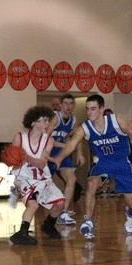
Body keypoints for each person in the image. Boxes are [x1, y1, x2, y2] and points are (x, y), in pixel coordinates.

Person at [50, 94, 132, 239]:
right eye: (87, 109)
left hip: (121, 164)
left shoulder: (115, 120)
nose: (89, 112)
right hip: (102, 163)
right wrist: (59, 158)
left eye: (93, 109)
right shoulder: (85, 127)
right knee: (92, 183)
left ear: (101, 109)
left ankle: (131, 215)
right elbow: (72, 144)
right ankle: (88, 221)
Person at [9, 105, 65, 245]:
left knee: (60, 203)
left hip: (42, 177)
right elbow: (12, 160)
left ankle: (48, 225)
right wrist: (13, 158)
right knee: (33, 204)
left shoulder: (49, 140)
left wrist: (27, 157)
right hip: (24, 178)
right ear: (34, 122)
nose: (47, 124)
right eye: (44, 120)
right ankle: (22, 232)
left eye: (48, 120)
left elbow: (41, 163)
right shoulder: (19, 137)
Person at [47, 93, 85, 225]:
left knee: (72, 179)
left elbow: (77, 137)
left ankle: (63, 213)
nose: (68, 106)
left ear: (73, 106)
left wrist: (79, 153)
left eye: (71, 104)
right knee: (42, 185)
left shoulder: (74, 120)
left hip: (62, 154)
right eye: (66, 104)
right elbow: (45, 139)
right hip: (47, 153)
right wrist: (65, 145)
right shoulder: (54, 118)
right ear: (61, 105)